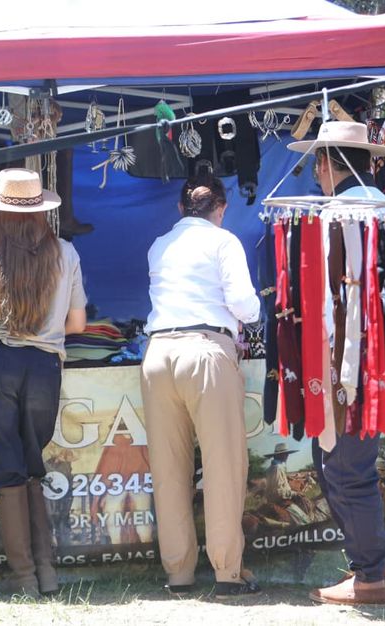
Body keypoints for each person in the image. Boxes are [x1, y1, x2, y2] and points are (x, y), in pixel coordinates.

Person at [288, 120, 385, 606]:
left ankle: (370, 576)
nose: (315, 170)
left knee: (345, 463)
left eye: (319, 160)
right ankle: (366, 567)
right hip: (375, 342)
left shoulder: (340, 212)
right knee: (338, 458)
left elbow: (331, 299)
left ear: (326, 165)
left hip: (350, 352)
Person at [0, 168, 87, 596]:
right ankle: (46, 574)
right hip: (45, 369)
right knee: (33, 467)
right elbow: (79, 322)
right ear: (41, 212)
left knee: (8, 471)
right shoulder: (66, 253)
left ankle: (25, 579)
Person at [140, 170, 261, 599]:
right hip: (206, 351)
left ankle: (179, 573)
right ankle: (227, 571)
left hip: (157, 355)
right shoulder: (222, 241)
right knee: (222, 465)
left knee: (168, 467)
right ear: (221, 209)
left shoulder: (160, 246)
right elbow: (245, 306)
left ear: (180, 208)